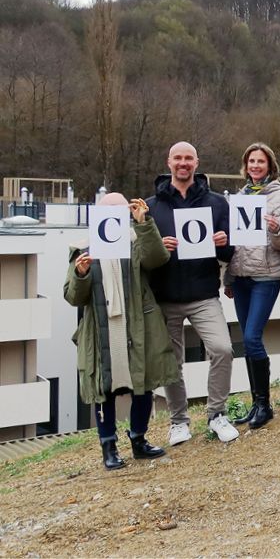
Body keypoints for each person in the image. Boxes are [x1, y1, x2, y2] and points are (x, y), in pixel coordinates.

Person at [65, 193, 179, 470]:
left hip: (137, 325)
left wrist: (144, 222)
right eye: (108, 211)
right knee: (104, 388)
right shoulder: (83, 249)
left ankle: (139, 440)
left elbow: (158, 258)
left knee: (142, 382)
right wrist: (81, 274)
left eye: (120, 210)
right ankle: (108, 446)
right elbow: (72, 296)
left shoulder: (135, 239)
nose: (114, 215)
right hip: (102, 329)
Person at [147, 142, 239, 445]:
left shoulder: (216, 203)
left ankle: (216, 414)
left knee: (222, 349)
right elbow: (143, 254)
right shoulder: (151, 206)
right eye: (178, 158)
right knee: (172, 364)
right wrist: (160, 246)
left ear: (197, 163)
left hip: (203, 293)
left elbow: (228, 251)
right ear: (168, 162)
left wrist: (223, 241)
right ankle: (178, 422)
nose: (183, 163)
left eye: (188, 158)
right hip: (165, 296)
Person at [223, 143, 280, 429]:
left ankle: (265, 404)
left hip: (266, 275)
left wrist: (275, 229)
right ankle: (256, 404)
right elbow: (233, 242)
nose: (255, 165)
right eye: (251, 161)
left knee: (252, 337)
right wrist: (227, 277)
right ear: (245, 165)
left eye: (260, 161)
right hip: (240, 277)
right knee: (248, 340)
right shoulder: (238, 197)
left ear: (269, 165)